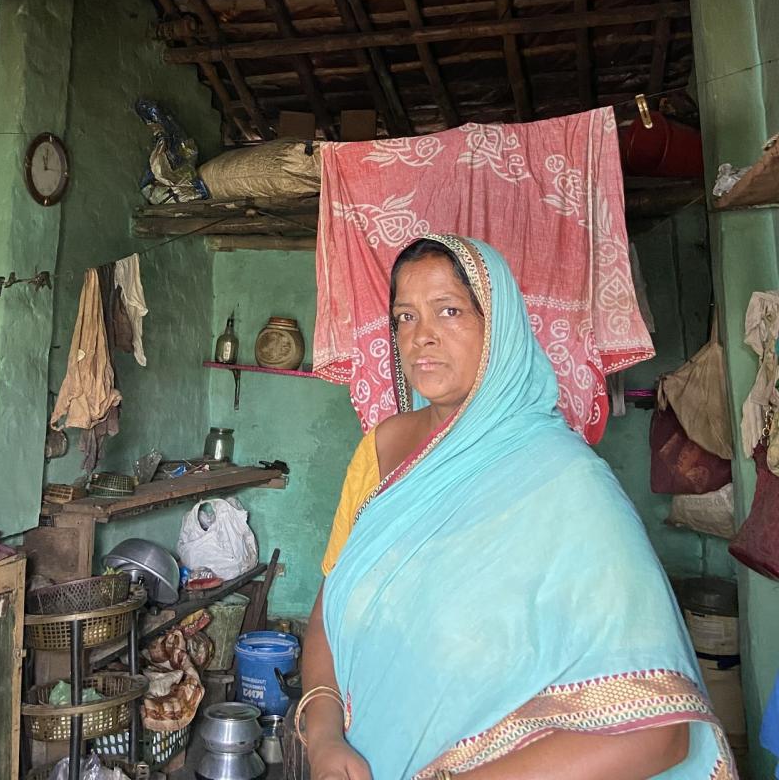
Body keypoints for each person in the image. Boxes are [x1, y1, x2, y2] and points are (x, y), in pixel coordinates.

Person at [300, 235, 734, 780]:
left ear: (499, 328)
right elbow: (331, 603)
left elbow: (657, 733)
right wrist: (323, 737)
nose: (421, 337)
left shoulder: (566, 483)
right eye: (405, 317)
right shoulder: (382, 450)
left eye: (450, 311)